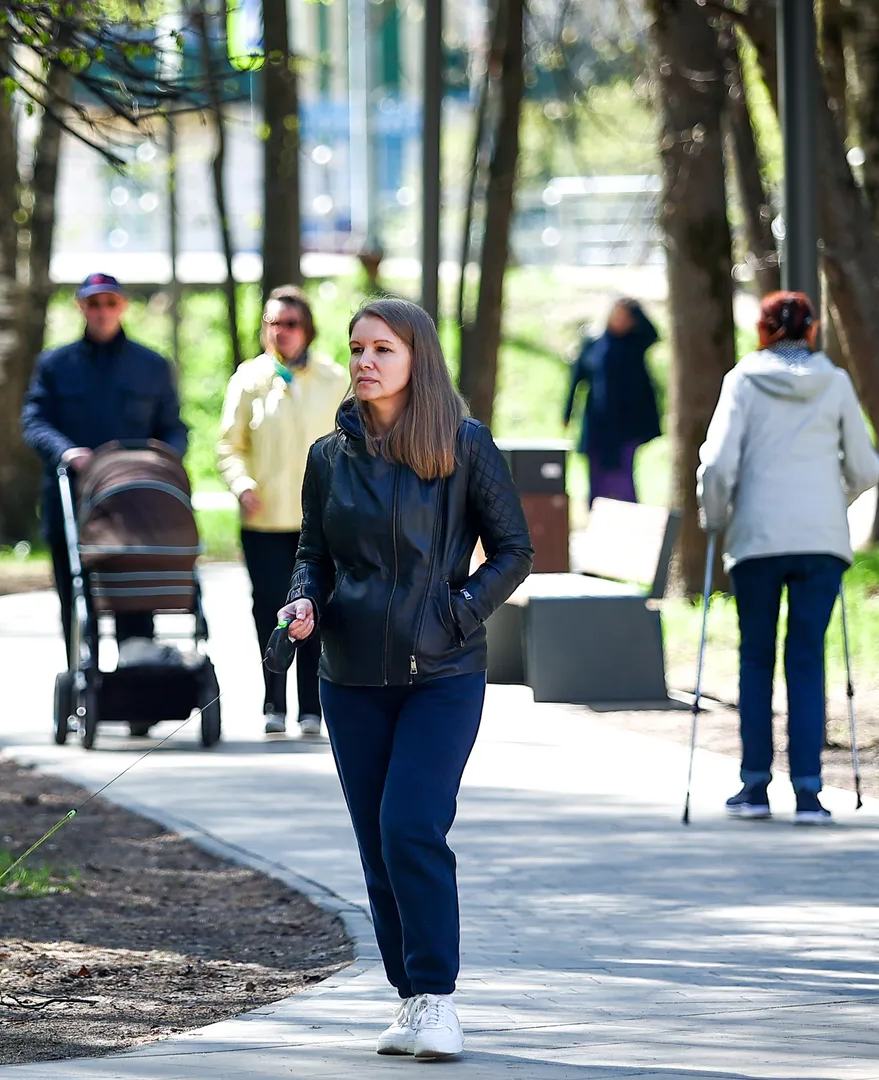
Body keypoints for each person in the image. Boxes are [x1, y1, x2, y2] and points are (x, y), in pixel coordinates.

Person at [279, 298, 533, 1059]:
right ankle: (408, 996)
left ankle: (438, 998)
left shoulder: (463, 444)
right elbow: (313, 554)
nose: (364, 362)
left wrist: (457, 615)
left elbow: (514, 550)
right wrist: (301, 599)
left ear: (416, 358)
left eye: (381, 349)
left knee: (410, 827)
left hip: (442, 674)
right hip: (350, 677)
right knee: (375, 842)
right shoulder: (330, 457)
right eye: (356, 349)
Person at [696, 291, 879, 825]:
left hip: (756, 540)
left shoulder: (742, 382)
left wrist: (716, 517)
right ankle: (808, 793)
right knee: (806, 657)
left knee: (756, 658)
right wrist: (833, 499)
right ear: (814, 331)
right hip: (821, 542)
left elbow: (717, 467)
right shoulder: (837, 383)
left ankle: (754, 788)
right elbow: (867, 468)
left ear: (762, 331)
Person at [22, 272, 189, 654]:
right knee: (78, 597)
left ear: (123, 306)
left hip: (136, 509)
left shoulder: (151, 365)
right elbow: (34, 421)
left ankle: (140, 680)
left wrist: (162, 460)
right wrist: (66, 451)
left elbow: (174, 429)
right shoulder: (54, 365)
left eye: (110, 303)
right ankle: (84, 681)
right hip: (74, 505)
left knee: (137, 598)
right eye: (93, 303)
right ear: (81, 307)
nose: (102, 311)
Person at [217, 286, 348, 738]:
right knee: (269, 611)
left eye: (290, 324)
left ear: (307, 329)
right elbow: (229, 445)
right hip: (265, 520)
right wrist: (242, 483)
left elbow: (351, 443)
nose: (281, 332)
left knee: (314, 608)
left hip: (321, 523)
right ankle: (274, 702)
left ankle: (311, 706)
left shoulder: (334, 379)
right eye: (273, 323)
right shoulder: (248, 379)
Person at [564, 296, 661, 503]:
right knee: (596, 478)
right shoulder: (594, 343)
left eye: (625, 317)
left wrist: (633, 306)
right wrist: (567, 412)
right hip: (597, 424)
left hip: (626, 426)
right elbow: (577, 380)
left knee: (623, 479)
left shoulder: (635, 344)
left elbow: (653, 334)